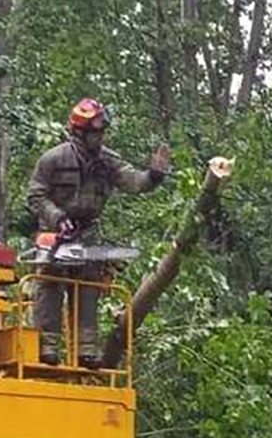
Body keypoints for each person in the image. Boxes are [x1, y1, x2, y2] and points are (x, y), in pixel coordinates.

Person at [25, 99, 170, 365]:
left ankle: (86, 350)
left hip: (87, 233)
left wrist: (153, 176)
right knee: (50, 285)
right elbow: (35, 195)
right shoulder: (54, 159)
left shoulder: (107, 161)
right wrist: (57, 218)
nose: (100, 137)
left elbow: (133, 181)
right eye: (95, 132)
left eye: (102, 132)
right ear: (80, 132)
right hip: (55, 232)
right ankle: (47, 347)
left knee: (88, 288)